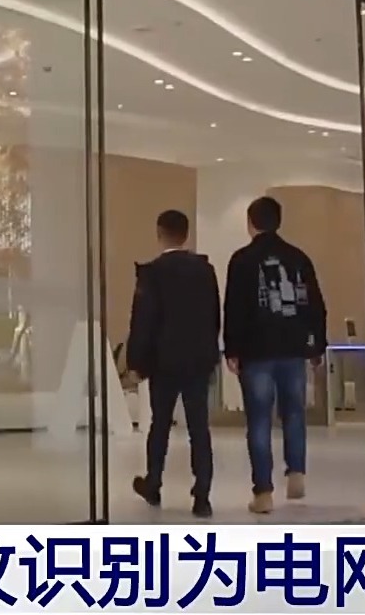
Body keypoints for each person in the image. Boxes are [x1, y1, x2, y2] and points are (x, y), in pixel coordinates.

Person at [222, 196, 327, 514]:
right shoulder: (298, 258)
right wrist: (316, 346)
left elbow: (234, 308)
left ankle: (264, 492)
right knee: (294, 412)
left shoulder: (242, 260)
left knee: (258, 419)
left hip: (256, 352)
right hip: (293, 349)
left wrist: (232, 348)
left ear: (250, 223)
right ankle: (296, 472)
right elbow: (315, 305)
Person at [125, 209, 221, 518]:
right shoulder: (205, 271)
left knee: (160, 425)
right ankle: (202, 495)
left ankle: (154, 482)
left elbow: (143, 322)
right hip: (197, 360)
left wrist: (136, 363)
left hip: (163, 361)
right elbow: (214, 316)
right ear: (186, 234)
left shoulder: (152, 273)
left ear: (159, 233)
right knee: (199, 428)